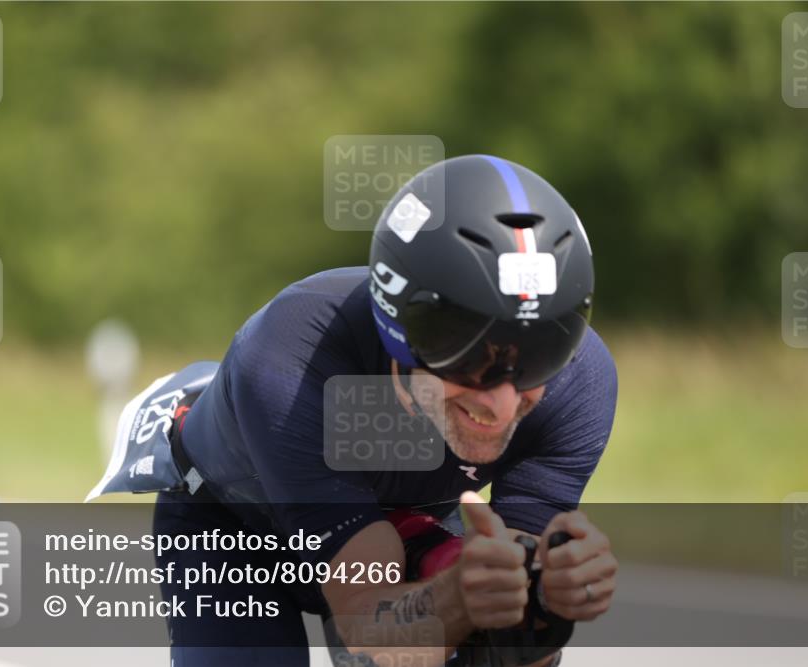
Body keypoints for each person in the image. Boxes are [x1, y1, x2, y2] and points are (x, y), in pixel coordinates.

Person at [151, 155, 619, 667]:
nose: (501, 404)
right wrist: (457, 598)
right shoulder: (292, 355)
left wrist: (543, 609)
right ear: (399, 330)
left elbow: (514, 635)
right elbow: (365, 622)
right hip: (238, 525)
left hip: (405, 520)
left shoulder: (581, 381)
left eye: (541, 355)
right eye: (467, 357)